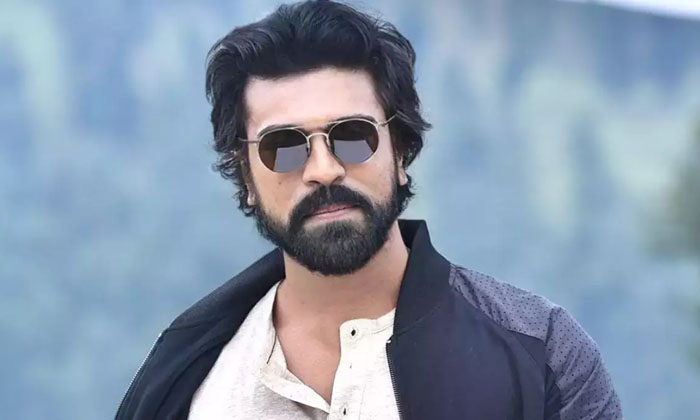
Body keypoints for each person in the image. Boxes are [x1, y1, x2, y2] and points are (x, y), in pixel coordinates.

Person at [115, 1, 622, 419]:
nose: (323, 169)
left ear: (400, 151)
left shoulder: (539, 354)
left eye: (352, 136)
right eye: (283, 147)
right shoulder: (182, 379)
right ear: (247, 177)